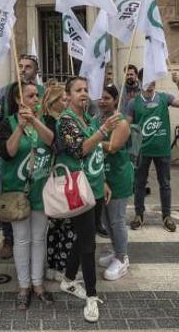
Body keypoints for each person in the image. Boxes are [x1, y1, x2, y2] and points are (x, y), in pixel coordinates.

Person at [55, 77, 120, 323]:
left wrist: (102, 180)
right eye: (78, 90)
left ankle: (69, 280)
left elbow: (95, 155)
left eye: (85, 89)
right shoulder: (66, 121)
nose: (84, 93)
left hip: (94, 187)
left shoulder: (89, 119)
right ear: (68, 95)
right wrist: (104, 130)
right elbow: (79, 150)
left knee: (85, 236)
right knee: (89, 243)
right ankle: (91, 296)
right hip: (79, 191)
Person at [0, 81, 56, 310]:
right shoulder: (6, 124)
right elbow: (8, 153)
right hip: (17, 193)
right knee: (21, 240)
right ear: (18, 100)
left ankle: (38, 284)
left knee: (39, 238)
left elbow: (52, 142)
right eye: (30, 95)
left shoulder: (47, 121)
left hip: (41, 190)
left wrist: (34, 121)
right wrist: (20, 127)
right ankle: (24, 286)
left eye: (37, 95)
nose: (35, 99)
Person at [0, 54, 44, 259]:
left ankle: (39, 239)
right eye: (20, 66)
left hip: (37, 155)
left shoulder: (43, 92)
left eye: (28, 67)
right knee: (9, 195)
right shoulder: (3, 92)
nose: (23, 69)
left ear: (36, 71)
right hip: (10, 160)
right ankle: (9, 238)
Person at [127, 71, 179, 232]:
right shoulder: (133, 103)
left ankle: (167, 216)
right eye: (147, 81)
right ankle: (138, 215)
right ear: (140, 82)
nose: (150, 84)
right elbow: (126, 127)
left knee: (165, 184)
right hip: (141, 151)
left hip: (162, 150)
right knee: (139, 184)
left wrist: (178, 83)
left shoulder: (164, 98)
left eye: (152, 81)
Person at [97, 84, 134, 281]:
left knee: (116, 220)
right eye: (100, 98)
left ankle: (122, 258)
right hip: (102, 177)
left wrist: (90, 140)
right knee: (105, 220)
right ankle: (116, 250)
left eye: (107, 98)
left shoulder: (121, 122)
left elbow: (112, 147)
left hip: (119, 177)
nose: (102, 101)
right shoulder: (98, 120)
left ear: (115, 100)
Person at [42, 86, 76, 282]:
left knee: (59, 223)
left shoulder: (57, 119)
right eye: (63, 99)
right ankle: (59, 265)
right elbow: (61, 147)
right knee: (64, 224)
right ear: (53, 102)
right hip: (61, 176)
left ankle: (55, 265)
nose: (67, 102)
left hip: (58, 176)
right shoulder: (55, 122)